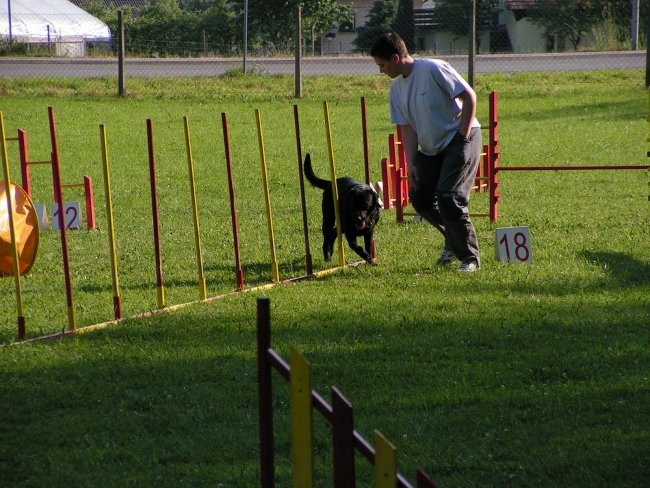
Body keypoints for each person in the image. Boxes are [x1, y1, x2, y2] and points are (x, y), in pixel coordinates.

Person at [370, 32, 482, 272]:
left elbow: (470, 97)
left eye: (382, 65)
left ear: (396, 58)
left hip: (461, 135)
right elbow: (407, 127)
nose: (381, 71)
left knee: (449, 197)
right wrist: (411, 163)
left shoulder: (433, 69)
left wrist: (462, 139)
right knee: (420, 198)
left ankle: (469, 258)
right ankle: (454, 240)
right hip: (432, 148)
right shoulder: (397, 90)